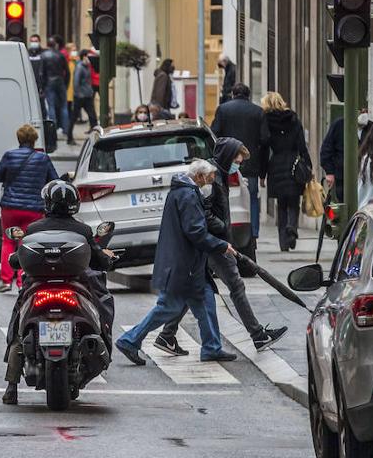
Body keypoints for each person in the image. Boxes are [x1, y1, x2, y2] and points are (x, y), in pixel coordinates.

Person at [153, 139, 288, 357]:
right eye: (237, 160)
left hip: (212, 242)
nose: (239, 165)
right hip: (214, 244)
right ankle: (257, 335)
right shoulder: (211, 179)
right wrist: (222, 229)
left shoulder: (220, 175)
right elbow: (202, 213)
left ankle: (167, 334)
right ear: (227, 157)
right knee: (235, 285)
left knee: (196, 290)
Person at [115, 160, 239, 366]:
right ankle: (130, 340)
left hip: (186, 263)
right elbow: (196, 232)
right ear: (199, 176)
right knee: (168, 308)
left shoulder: (183, 192)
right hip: (185, 265)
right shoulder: (188, 195)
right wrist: (221, 245)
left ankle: (211, 347)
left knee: (205, 301)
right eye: (209, 177)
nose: (211, 181)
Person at [1, 180, 114, 405]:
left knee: (17, 327)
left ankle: (11, 386)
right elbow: (99, 260)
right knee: (101, 302)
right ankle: (104, 335)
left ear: (47, 203)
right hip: (75, 284)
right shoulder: (82, 229)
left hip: (37, 285)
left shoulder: (34, 228)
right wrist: (107, 259)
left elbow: (17, 259)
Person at [0, 125, 59, 293]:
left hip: (10, 207)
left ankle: (6, 281)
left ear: (19, 139)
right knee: (27, 242)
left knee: (8, 241)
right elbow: (54, 180)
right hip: (34, 208)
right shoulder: (43, 158)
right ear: (34, 139)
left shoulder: (9, 156)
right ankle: (23, 279)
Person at [210, 84, 269, 253]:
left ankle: (230, 227)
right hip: (250, 163)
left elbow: (215, 133)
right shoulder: (258, 112)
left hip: (228, 161)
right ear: (248, 95)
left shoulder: (223, 109)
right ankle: (254, 232)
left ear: (232, 94)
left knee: (229, 198)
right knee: (251, 198)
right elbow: (265, 139)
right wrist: (262, 169)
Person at [261, 91, 312, 252]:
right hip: (293, 164)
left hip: (275, 164)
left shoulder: (267, 121)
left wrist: (262, 174)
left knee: (281, 204)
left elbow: (264, 147)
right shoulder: (293, 118)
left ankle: (283, 241)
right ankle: (292, 227)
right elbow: (301, 145)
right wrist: (308, 166)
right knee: (294, 202)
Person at [321, 108, 373, 203]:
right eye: (361, 111)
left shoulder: (371, 128)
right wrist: (329, 172)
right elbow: (326, 150)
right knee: (340, 207)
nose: (364, 114)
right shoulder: (339, 125)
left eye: (365, 111)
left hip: (365, 180)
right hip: (342, 178)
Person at [40, 37, 69, 136]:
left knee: (51, 106)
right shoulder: (61, 55)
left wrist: (42, 86)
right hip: (60, 81)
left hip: (49, 82)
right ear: (55, 45)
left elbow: (42, 73)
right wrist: (66, 84)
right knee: (64, 106)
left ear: (48, 45)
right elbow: (67, 71)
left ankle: (53, 130)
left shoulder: (44, 56)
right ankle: (66, 129)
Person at [71, 51, 97, 141]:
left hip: (87, 95)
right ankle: (69, 137)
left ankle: (95, 135)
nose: (90, 59)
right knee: (74, 117)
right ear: (84, 57)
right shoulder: (80, 67)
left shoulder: (87, 67)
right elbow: (76, 83)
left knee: (92, 116)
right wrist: (79, 94)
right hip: (80, 97)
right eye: (88, 56)